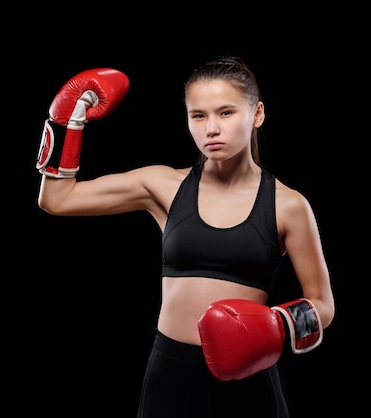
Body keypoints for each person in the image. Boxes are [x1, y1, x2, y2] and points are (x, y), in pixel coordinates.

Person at [36, 57, 335, 418]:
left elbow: (323, 303)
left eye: (226, 113)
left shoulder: (287, 205)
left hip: (249, 378)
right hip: (171, 372)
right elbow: (57, 199)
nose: (211, 128)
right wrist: (67, 122)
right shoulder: (163, 185)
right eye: (198, 115)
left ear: (256, 114)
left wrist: (277, 324)